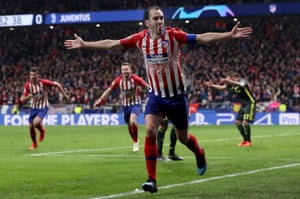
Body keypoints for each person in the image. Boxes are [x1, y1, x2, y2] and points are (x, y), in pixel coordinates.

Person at [64, 5, 253, 193]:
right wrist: (85, 44)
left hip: (177, 97)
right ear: (147, 22)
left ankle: (199, 153)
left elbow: (202, 38)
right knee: (149, 131)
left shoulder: (173, 35)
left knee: (183, 138)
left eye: (161, 18)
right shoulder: (141, 39)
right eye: (155, 18)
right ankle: (151, 180)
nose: (160, 21)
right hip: (155, 96)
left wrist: (228, 35)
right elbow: (112, 43)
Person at [93, 62, 149, 152]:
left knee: (132, 121)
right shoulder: (118, 80)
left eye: (126, 69)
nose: (124, 71)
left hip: (135, 104)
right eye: (123, 70)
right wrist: (100, 99)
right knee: (129, 125)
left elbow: (147, 86)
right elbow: (109, 90)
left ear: (130, 70)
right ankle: (135, 140)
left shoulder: (136, 79)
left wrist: (149, 93)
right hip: (125, 105)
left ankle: (136, 142)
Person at [20, 66, 69, 150]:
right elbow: (22, 99)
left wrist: (64, 95)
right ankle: (35, 143)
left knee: (35, 124)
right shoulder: (28, 86)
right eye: (31, 75)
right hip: (33, 107)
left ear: (37, 75)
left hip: (43, 107)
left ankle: (42, 130)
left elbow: (57, 84)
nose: (32, 76)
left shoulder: (43, 82)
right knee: (31, 126)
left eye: (34, 75)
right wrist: (28, 97)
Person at [204, 71, 256, 147]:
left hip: (250, 103)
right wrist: (212, 85)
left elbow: (242, 85)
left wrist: (230, 81)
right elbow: (222, 88)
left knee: (245, 122)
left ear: (233, 78)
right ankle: (245, 140)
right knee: (237, 122)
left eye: (228, 78)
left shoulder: (241, 81)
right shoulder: (231, 85)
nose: (227, 80)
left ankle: (249, 141)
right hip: (243, 104)